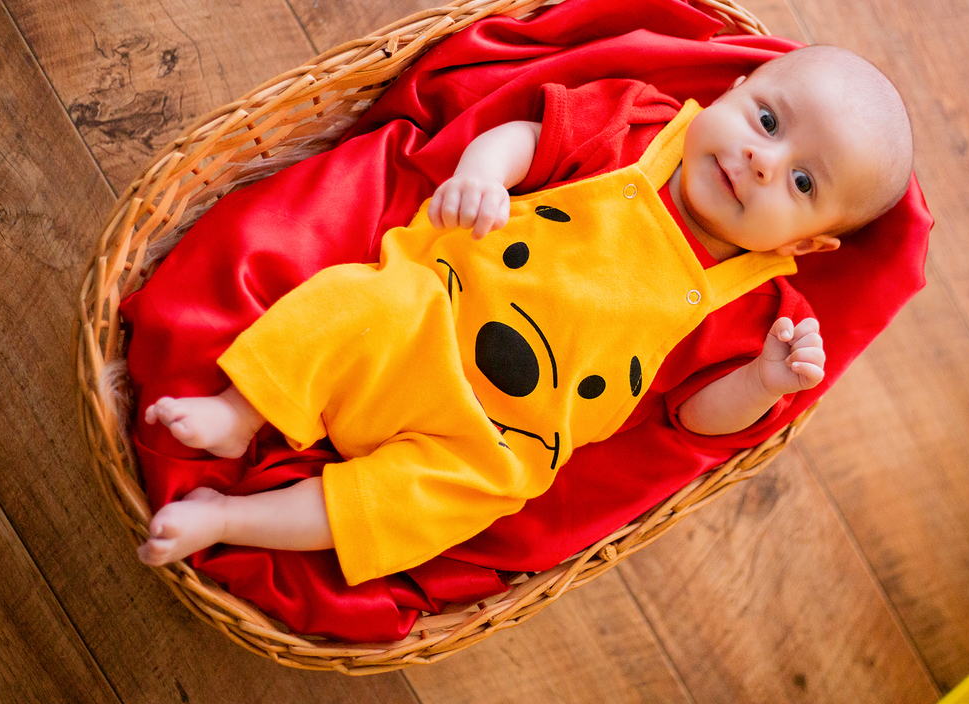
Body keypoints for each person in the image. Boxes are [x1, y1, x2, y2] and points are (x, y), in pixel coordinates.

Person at [136, 44, 914, 584]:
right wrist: (483, 174)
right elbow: (528, 138)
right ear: (735, 88)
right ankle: (241, 411)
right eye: (767, 122)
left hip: (495, 438)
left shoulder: (758, 305)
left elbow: (695, 417)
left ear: (811, 246)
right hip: (434, 311)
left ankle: (230, 520)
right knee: (350, 304)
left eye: (802, 183)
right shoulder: (641, 129)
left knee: (429, 507)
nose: (761, 160)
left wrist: (764, 383)